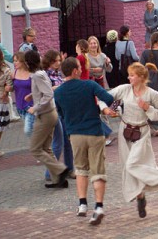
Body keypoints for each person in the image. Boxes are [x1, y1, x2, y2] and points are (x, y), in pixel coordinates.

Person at [100, 62, 158, 218]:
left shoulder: (152, 94)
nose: (129, 77)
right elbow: (105, 97)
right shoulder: (124, 89)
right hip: (125, 131)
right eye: (129, 75)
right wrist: (108, 109)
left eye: (132, 75)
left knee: (133, 164)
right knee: (127, 167)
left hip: (142, 133)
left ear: (141, 77)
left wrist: (147, 108)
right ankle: (140, 196)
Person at [54, 57, 114, 225]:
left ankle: (82, 204)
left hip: (75, 134)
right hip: (94, 131)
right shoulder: (89, 85)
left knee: (80, 169)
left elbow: (60, 113)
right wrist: (104, 109)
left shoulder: (58, 92)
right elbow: (109, 98)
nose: (81, 69)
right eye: (79, 67)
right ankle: (99, 206)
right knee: (98, 170)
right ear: (74, 71)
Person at [25, 50, 69, 189]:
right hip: (50, 113)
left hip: (45, 115)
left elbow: (48, 93)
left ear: (27, 63)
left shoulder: (37, 75)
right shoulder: (40, 73)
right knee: (46, 148)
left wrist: (35, 107)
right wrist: (32, 95)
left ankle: (60, 170)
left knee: (35, 148)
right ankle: (58, 180)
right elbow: (46, 89)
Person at [41, 50, 75, 181]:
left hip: (63, 109)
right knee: (57, 142)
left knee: (68, 142)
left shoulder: (59, 74)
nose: (58, 63)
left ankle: (70, 169)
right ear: (49, 61)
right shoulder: (45, 75)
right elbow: (47, 91)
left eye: (59, 60)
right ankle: (50, 173)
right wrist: (61, 86)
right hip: (52, 110)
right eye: (55, 61)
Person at [12, 52, 35, 138]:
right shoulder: (13, 73)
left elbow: (38, 89)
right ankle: (40, 146)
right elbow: (10, 87)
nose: (14, 63)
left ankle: (38, 147)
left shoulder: (31, 73)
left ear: (22, 61)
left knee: (28, 130)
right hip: (20, 107)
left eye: (16, 61)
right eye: (14, 61)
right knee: (31, 130)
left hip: (30, 106)